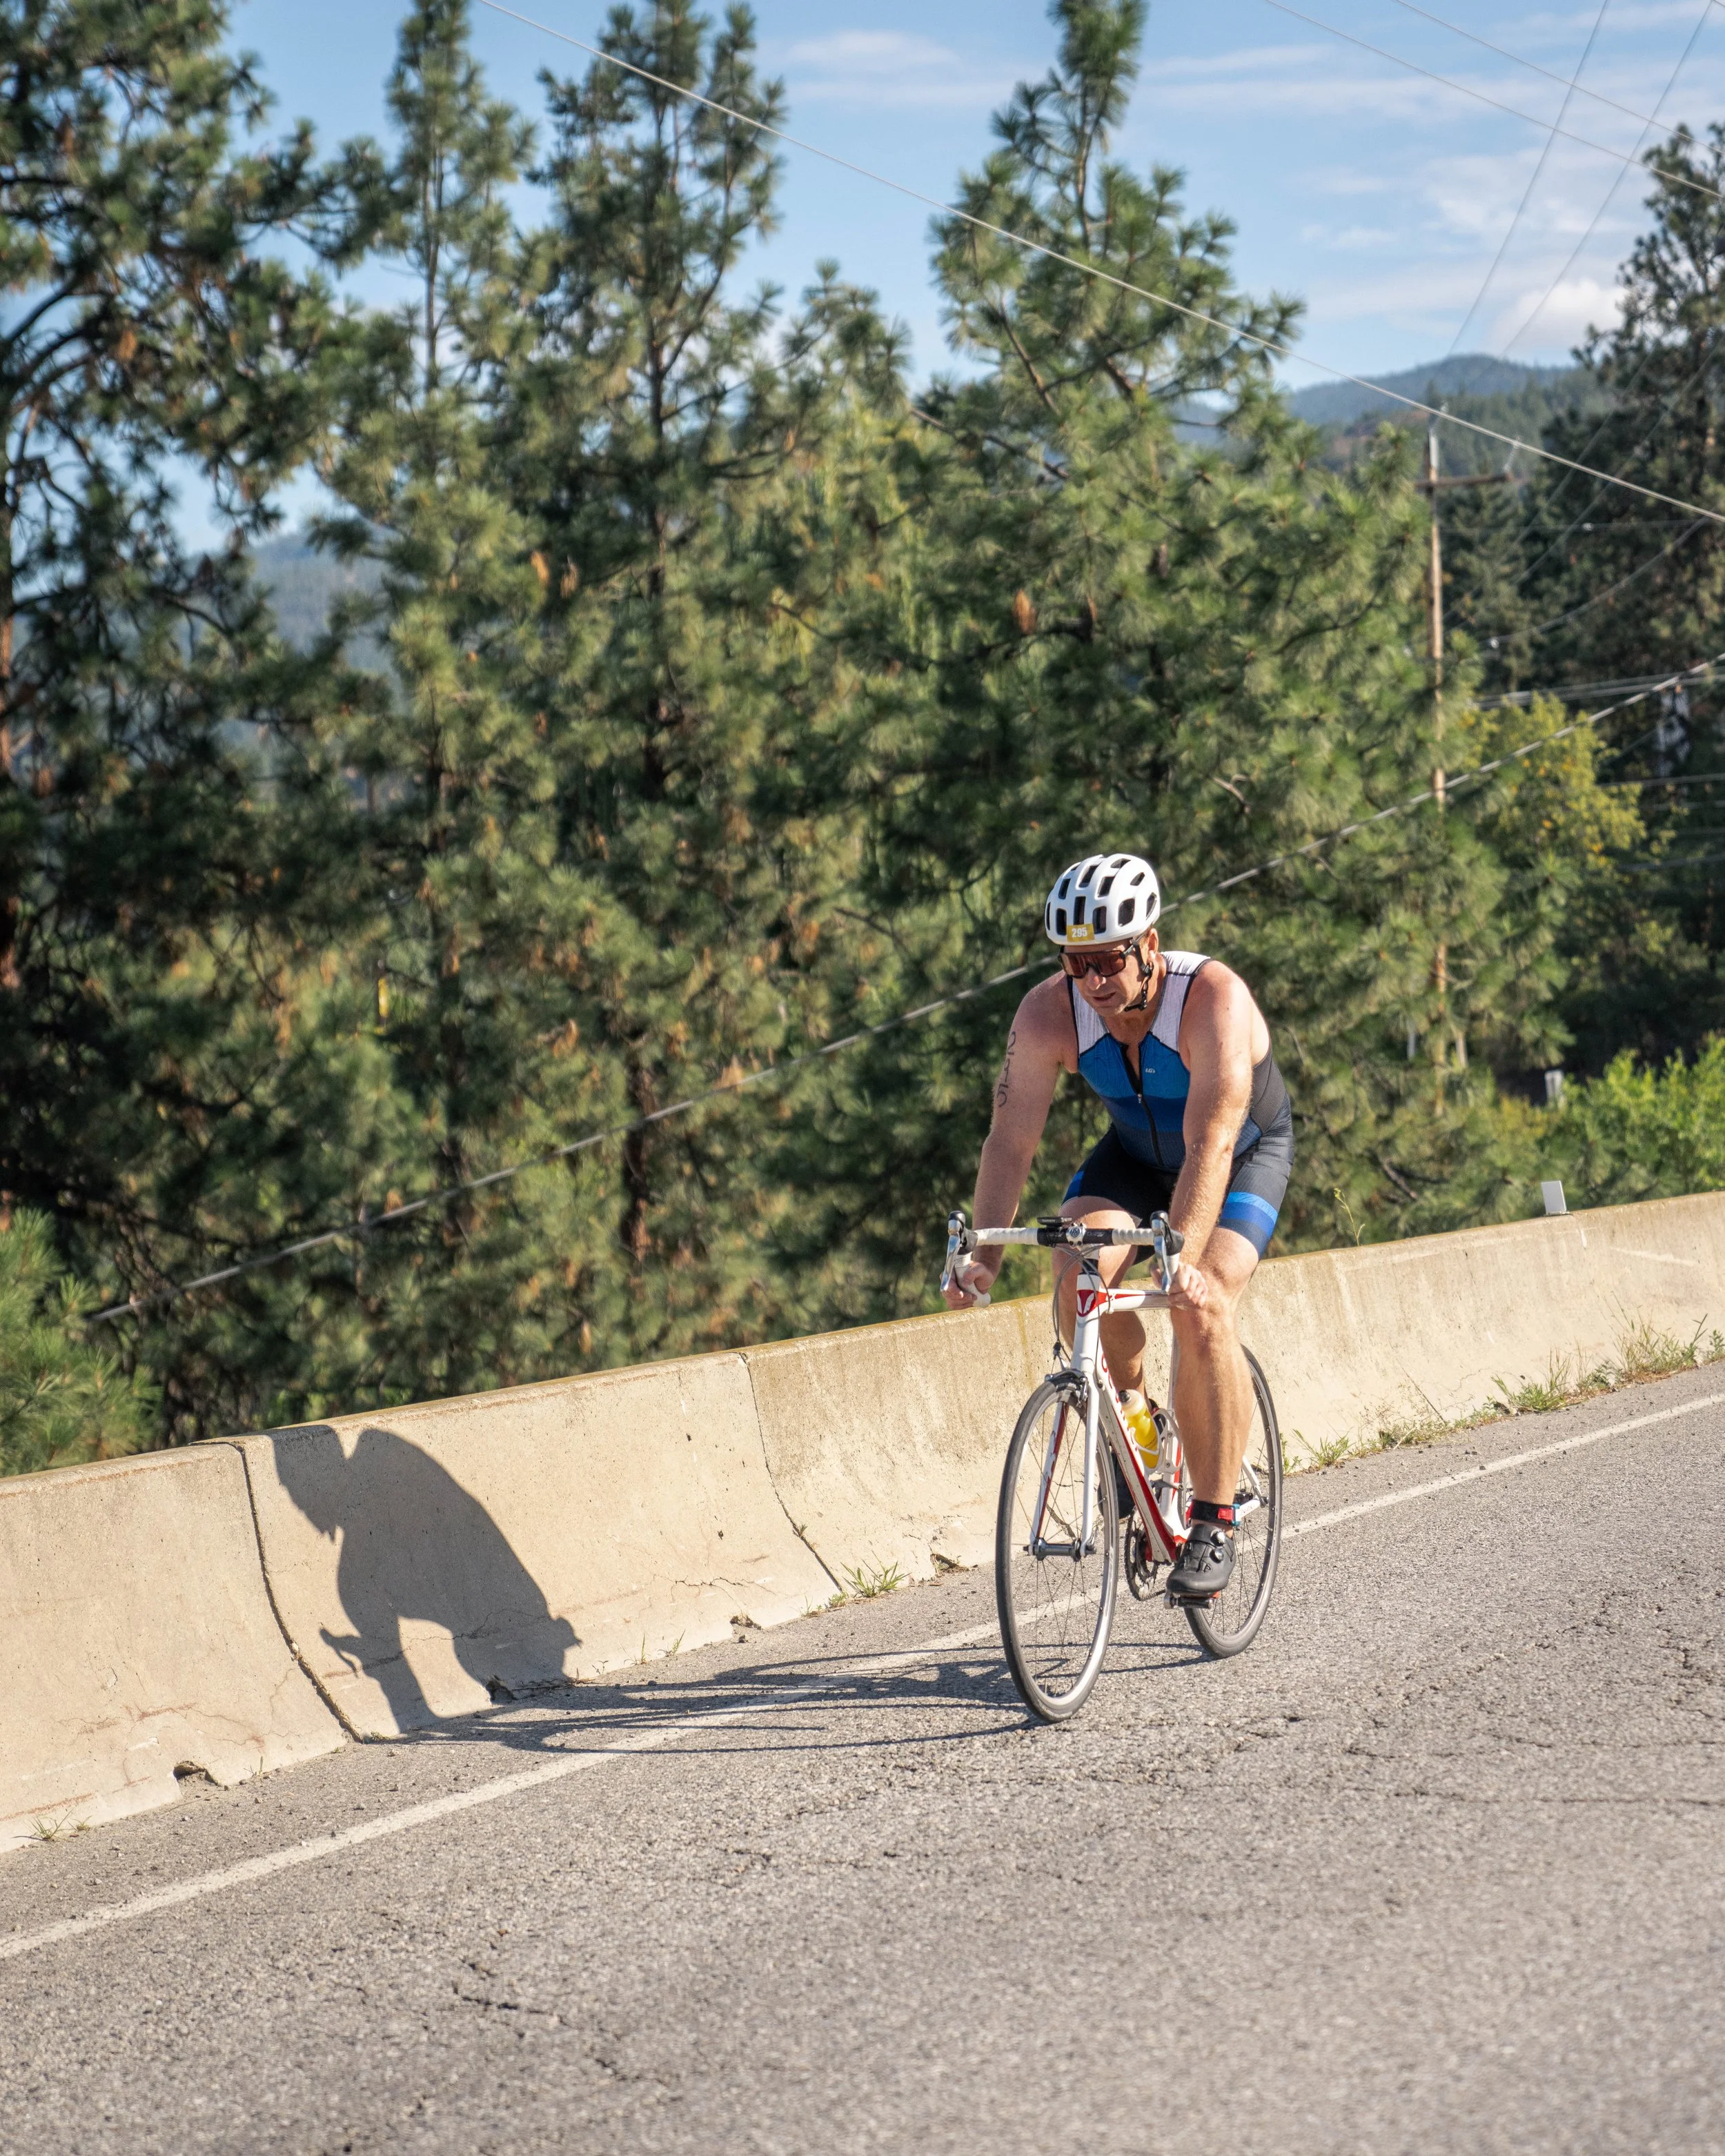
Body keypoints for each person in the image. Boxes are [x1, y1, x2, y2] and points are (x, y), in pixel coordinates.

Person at [943, 852, 1294, 1601]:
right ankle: (1136, 1417)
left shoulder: (1213, 1000)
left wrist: (1183, 1262)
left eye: (1108, 960)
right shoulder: (1047, 1011)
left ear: (1150, 946)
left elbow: (1212, 1143)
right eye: (1077, 962)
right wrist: (983, 1256)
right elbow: (1010, 1140)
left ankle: (1212, 1518)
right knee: (1074, 1279)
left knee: (1201, 1303)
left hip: (1237, 1156)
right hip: (1135, 1159)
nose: (1094, 981)